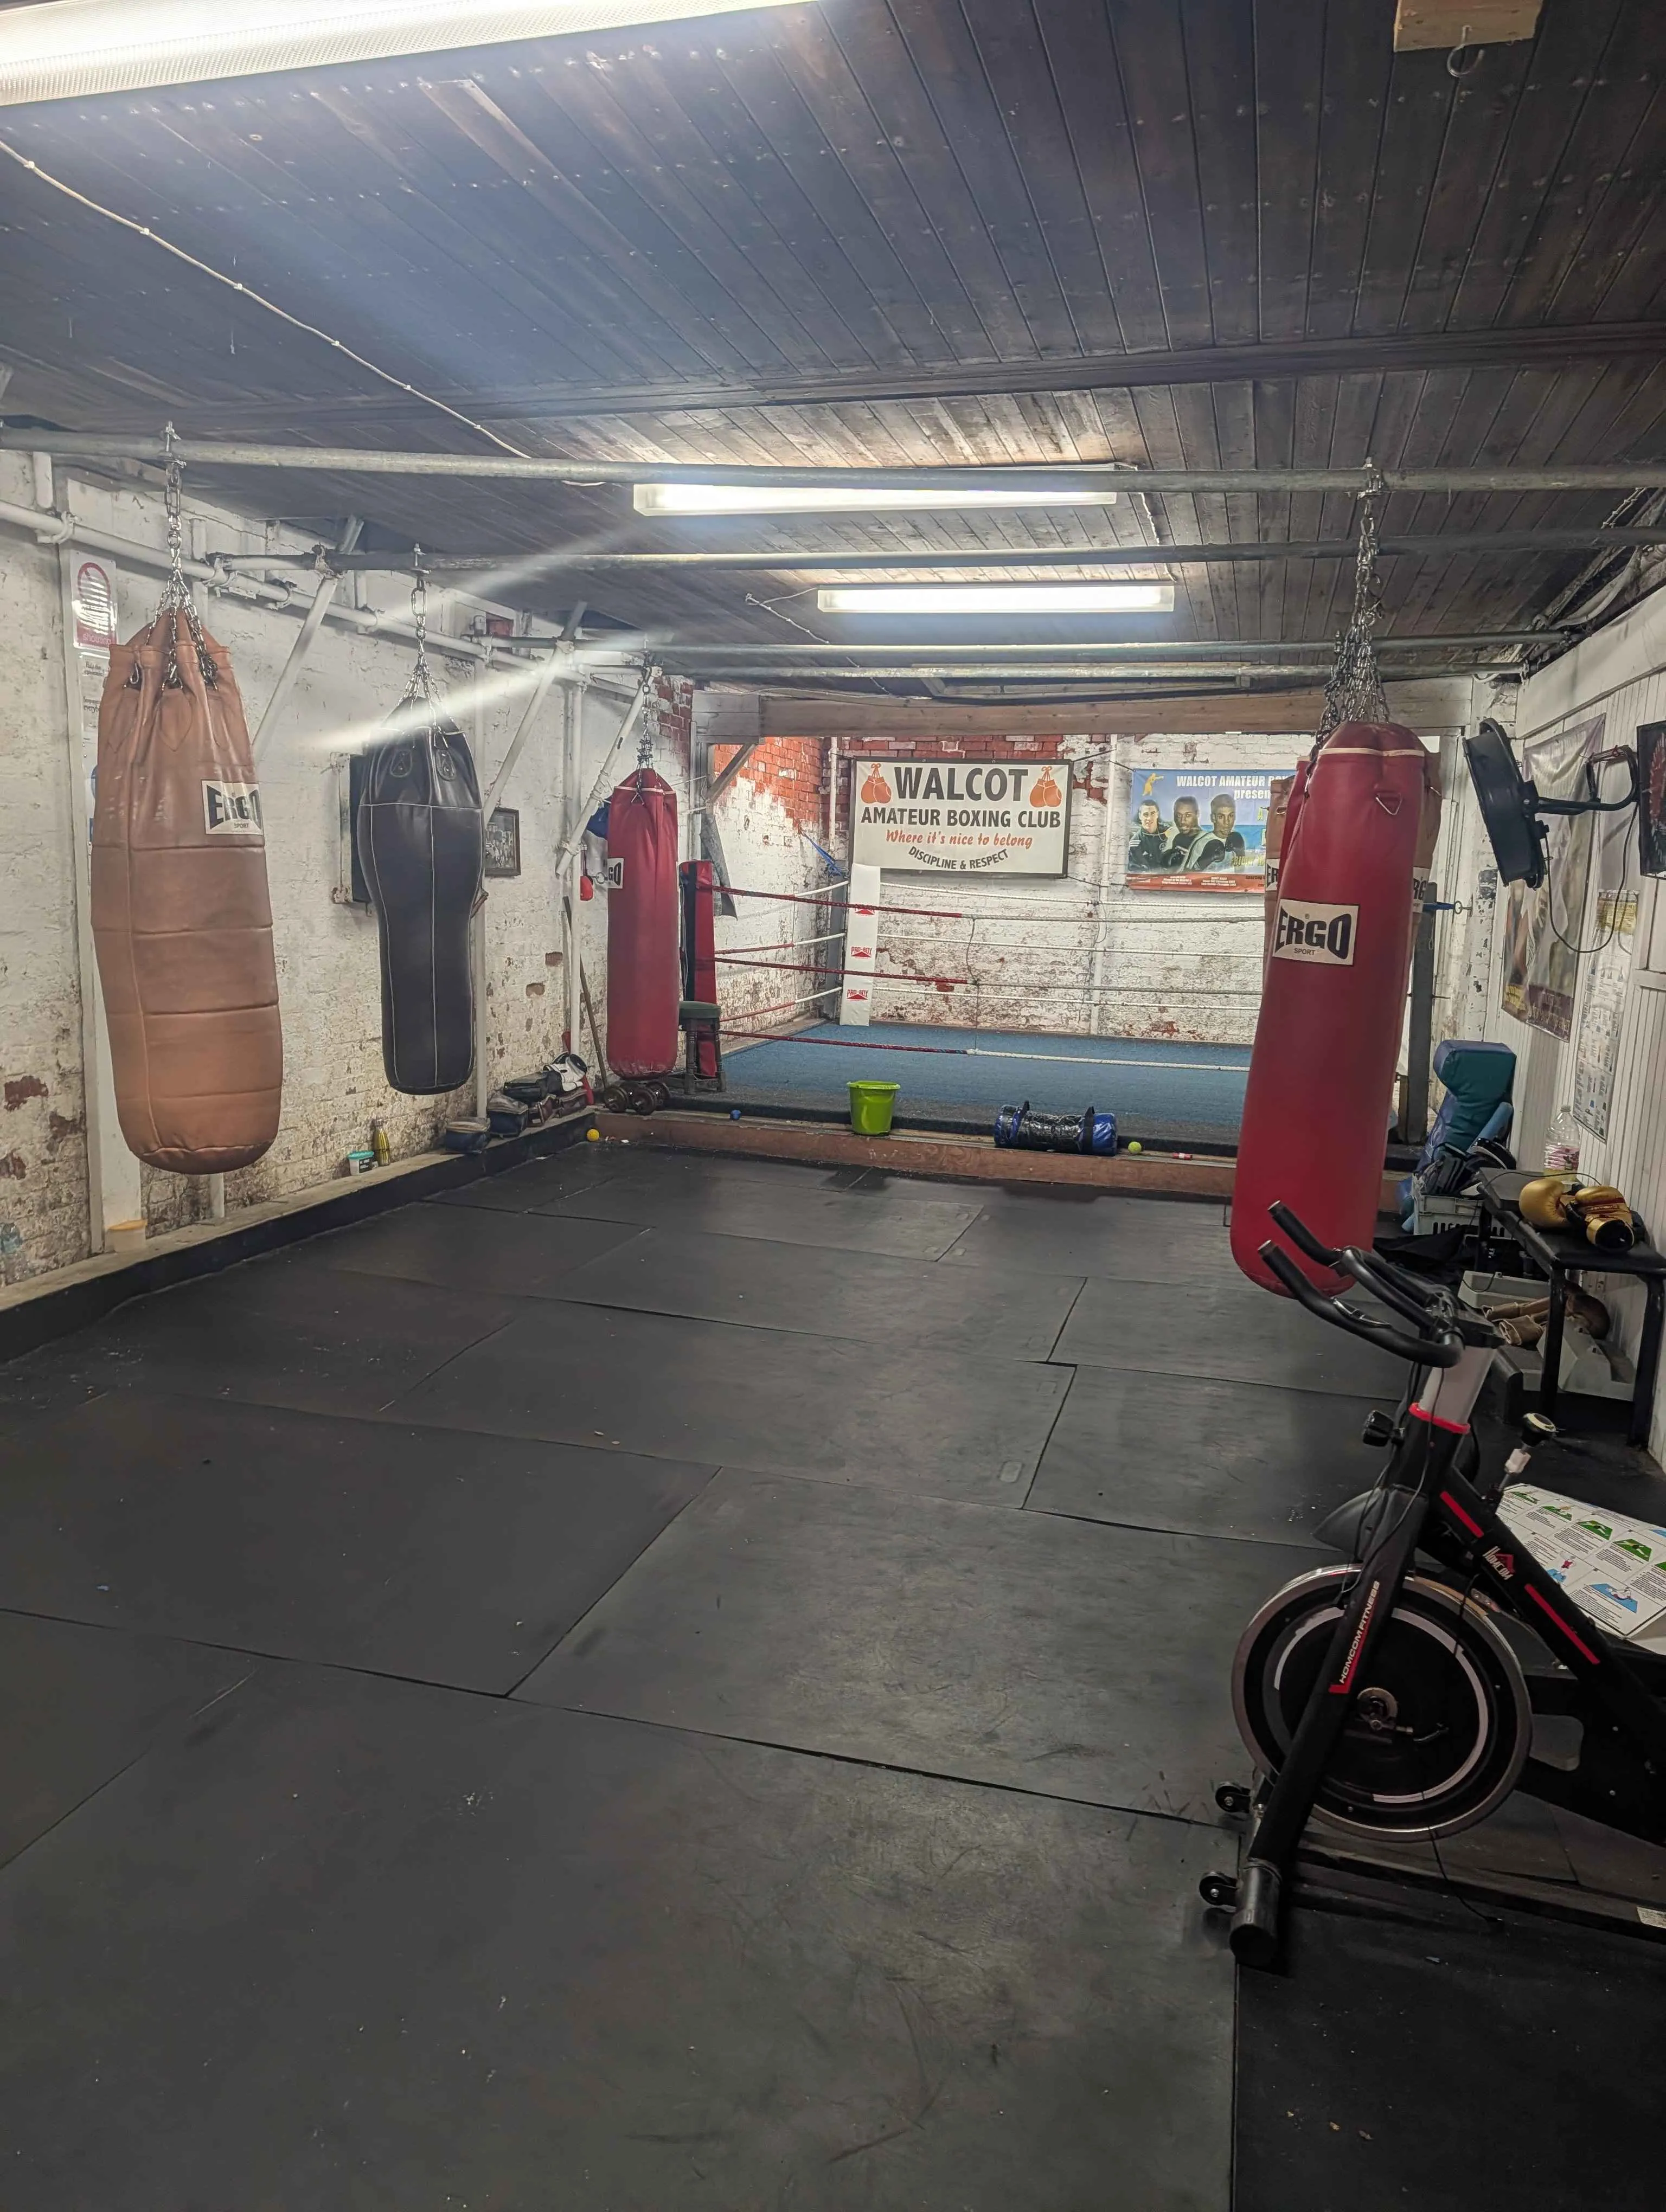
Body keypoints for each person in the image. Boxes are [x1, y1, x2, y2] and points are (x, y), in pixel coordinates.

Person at [1165, 793, 1226, 872]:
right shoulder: (1178, 838)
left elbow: (1222, 863)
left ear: (1197, 814)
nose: (1182, 821)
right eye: (1179, 816)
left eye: (1188, 815)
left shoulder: (1208, 841)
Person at [1127, 798, 1170, 870]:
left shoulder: (1167, 831)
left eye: (1153, 814)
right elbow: (1138, 871)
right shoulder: (1135, 843)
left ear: (1157, 814)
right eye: (1146, 815)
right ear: (1140, 816)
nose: (1149, 818)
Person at [1209, 793, 1248, 869]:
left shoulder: (1236, 839)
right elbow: (1187, 874)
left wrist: (1241, 854)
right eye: (1221, 817)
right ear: (1213, 818)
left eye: (1231, 816)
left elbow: (1241, 874)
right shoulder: (1202, 843)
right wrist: (1201, 864)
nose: (1227, 822)